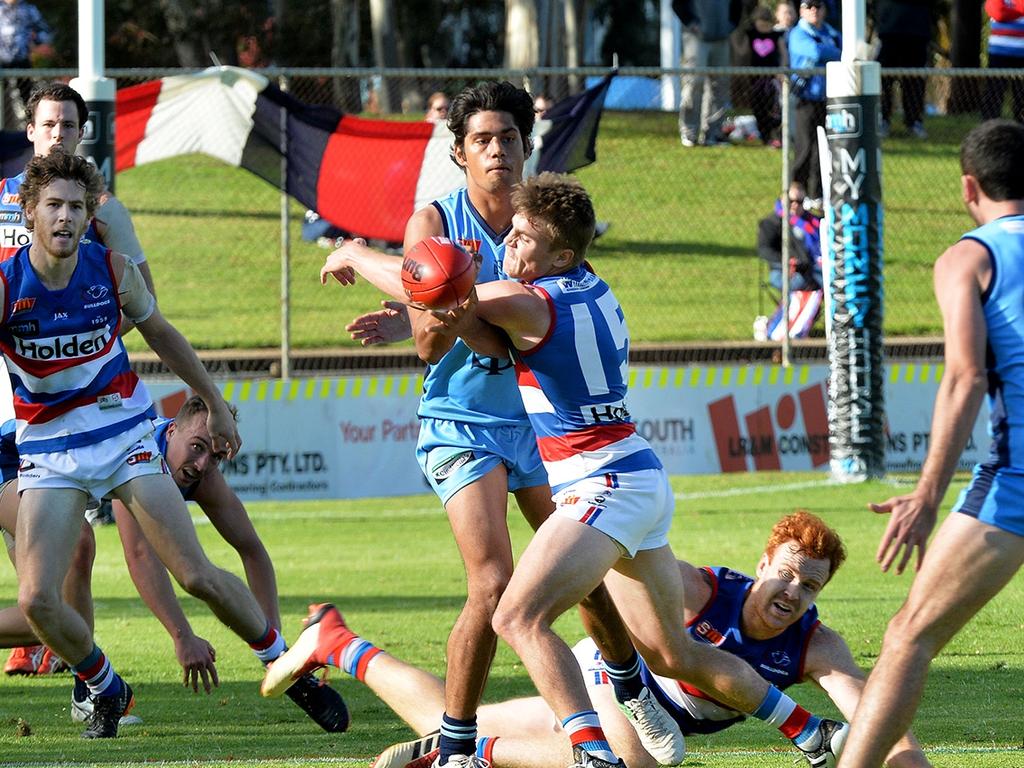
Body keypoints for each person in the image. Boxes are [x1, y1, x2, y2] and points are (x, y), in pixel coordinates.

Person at [279, 173, 849, 768]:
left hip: (600, 484)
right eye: (514, 234)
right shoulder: (592, 288)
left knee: (516, 617)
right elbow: (470, 320)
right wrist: (430, 312)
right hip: (639, 477)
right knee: (673, 652)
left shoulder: (532, 301)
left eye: (525, 239)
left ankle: (590, 752)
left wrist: (352, 250)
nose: (510, 246)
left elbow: (427, 282)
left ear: (561, 255)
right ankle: (811, 733)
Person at [307, 83, 680, 768]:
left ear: (526, 145)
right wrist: (423, 309)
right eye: (482, 139)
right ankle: (455, 745)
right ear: (459, 153)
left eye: (508, 137)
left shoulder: (546, 225)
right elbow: (428, 346)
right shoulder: (434, 221)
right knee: (493, 584)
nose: (498, 150)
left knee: (587, 580)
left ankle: (631, 689)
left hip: (544, 432)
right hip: (463, 421)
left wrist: (432, 301)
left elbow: (529, 320)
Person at [3, 150, 343, 739]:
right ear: (29, 213)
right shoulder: (7, 286)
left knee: (196, 575)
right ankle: (107, 686)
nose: (64, 218)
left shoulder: (110, 270)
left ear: (88, 217)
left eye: (76, 208)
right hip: (50, 452)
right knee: (36, 600)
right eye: (53, 206)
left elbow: (162, 334)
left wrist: (212, 404)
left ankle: (291, 668)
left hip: (124, 437)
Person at [266, 512, 929, 768]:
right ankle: (483, 755)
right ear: (762, 566)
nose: (790, 594)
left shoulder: (817, 646)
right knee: (630, 767)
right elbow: (616, 574)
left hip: (655, 714)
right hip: (616, 677)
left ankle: (336, 642)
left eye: (807, 587)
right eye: (784, 575)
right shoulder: (700, 589)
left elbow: (877, 718)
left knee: (445, 710)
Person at [838, 119, 1024, 767]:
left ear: (969, 186)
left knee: (908, 636)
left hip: (1017, 482)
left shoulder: (969, 256)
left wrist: (926, 494)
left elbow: (967, 376)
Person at [0, 399, 348, 732]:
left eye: (214, 456)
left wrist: (275, 645)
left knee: (51, 618)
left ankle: (88, 685)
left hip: (48, 467)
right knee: (64, 575)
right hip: (14, 458)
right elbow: (140, 555)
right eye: (196, 447)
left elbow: (251, 550)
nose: (201, 464)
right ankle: (90, 688)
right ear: (170, 433)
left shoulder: (199, 473)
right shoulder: (136, 454)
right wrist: (181, 635)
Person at [788, 0, 841, 203]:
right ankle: (795, 192)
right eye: (808, 6)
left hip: (827, 99)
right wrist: (836, 53)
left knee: (824, 148)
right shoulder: (798, 33)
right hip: (805, 98)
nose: (814, 10)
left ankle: (817, 193)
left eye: (818, 6)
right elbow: (815, 52)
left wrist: (832, 52)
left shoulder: (832, 33)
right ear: (801, 10)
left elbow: (848, 50)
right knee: (805, 147)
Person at [673, 0, 743, 146]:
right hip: (696, 39)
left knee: (720, 86)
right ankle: (689, 133)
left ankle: (713, 134)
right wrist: (693, 25)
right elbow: (678, 5)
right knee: (694, 83)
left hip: (722, 39)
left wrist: (730, 26)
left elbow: (737, 6)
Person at [875, 0, 934, 139]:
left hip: (917, 33)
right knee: (884, 81)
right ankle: (882, 119)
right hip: (889, 31)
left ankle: (914, 122)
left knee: (915, 81)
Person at [757, 181, 823, 292]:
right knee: (821, 281)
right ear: (783, 199)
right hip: (783, 271)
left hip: (813, 268)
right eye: (791, 201)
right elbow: (764, 250)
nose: (795, 205)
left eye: (800, 201)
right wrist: (787, 261)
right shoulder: (771, 223)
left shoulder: (814, 222)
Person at [0, 0, 51, 123]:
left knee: (27, 98)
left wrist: (36, 44)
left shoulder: (29, 9)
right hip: (1, 63)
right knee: (2, 99)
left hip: (22, 62)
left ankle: (29, 127)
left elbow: (45, 32)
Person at [982, 0, 1024, 124]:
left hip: (1022, 54)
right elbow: (998, 13)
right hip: (998, 53)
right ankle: (989, 126)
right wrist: (1019, 11)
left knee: (1021, 96)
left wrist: (1009, 11)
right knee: (994, 93)